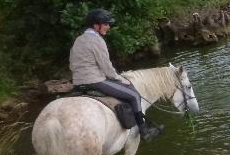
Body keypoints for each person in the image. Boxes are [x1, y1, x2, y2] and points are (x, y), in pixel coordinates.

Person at [69, 8, 162, 140]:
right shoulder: (97, 41)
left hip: (78, 82)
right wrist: (121, 79)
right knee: (134, 95)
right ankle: (144, 131)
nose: (108, 27)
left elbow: (71, 64)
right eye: (106, 24)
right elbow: (107, 68)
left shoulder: (79, 39)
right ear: (96, 25)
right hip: (95, 81)